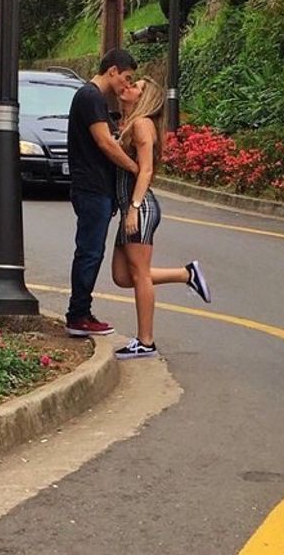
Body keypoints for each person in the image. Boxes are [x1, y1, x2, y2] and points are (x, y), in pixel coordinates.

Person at [111, 75, 212, 360]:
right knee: (121, 276)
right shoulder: (130, 123)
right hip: (132, 207)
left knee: (139, 274)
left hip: (139, 207)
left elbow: (145, 170)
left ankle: (146, 341)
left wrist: (133, 207)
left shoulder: (143, 125)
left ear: (145, 99)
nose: (128, 88)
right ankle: (186, 274)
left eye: (135, 88)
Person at [65, 48, 141, 337]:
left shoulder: (94, 99)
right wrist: (136, 168)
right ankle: (78, 314)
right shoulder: (91, 97)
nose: (126, 85)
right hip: (91, 188)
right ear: (112, 71)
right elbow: (105, 144)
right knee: (90, 251)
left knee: (91, 250)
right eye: (126, 77)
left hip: (96, 189)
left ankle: (81, 312)